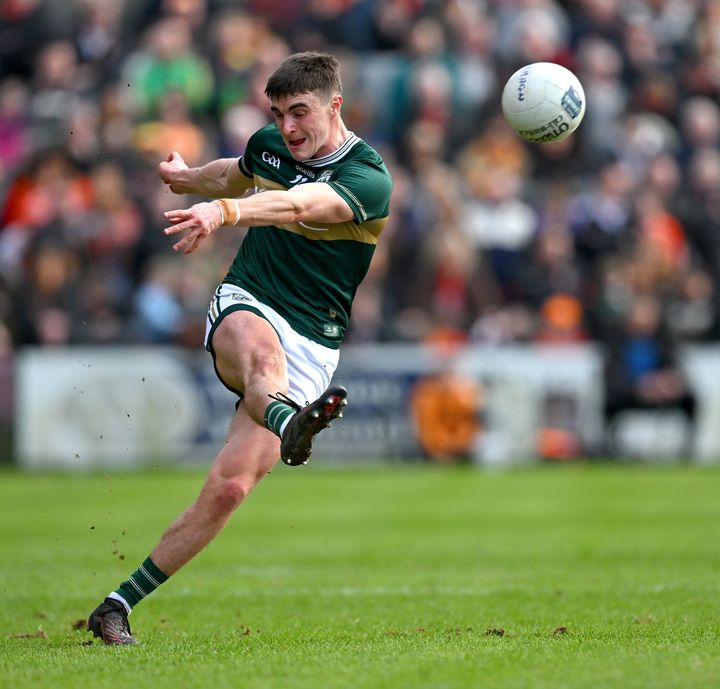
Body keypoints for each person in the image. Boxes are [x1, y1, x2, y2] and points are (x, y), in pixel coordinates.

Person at [87, 52, 393, 645]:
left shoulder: (368, 178)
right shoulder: (271, 144)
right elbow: (237, 172)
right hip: (248, 300)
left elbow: (298, 204)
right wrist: (188, 178)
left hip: (315, 341)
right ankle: (291, 423)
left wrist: (224, 212)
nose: (287, 127)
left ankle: (115, 606)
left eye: (299, 112)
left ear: (335, 105)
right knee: (263, 364)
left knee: (229, 488)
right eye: (277, 114)